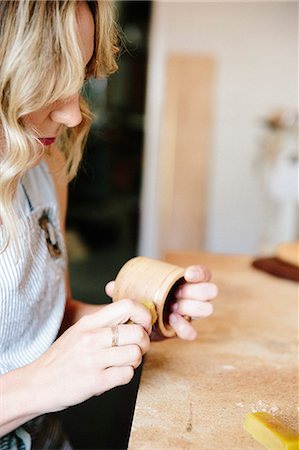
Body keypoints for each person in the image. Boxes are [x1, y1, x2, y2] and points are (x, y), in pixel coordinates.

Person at [0, 1, 218, 448]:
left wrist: (133, 317)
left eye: (76, 79)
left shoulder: (45, 168)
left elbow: (45, 321)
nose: (73, 115)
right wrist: (37, 387)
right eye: (46, 83)